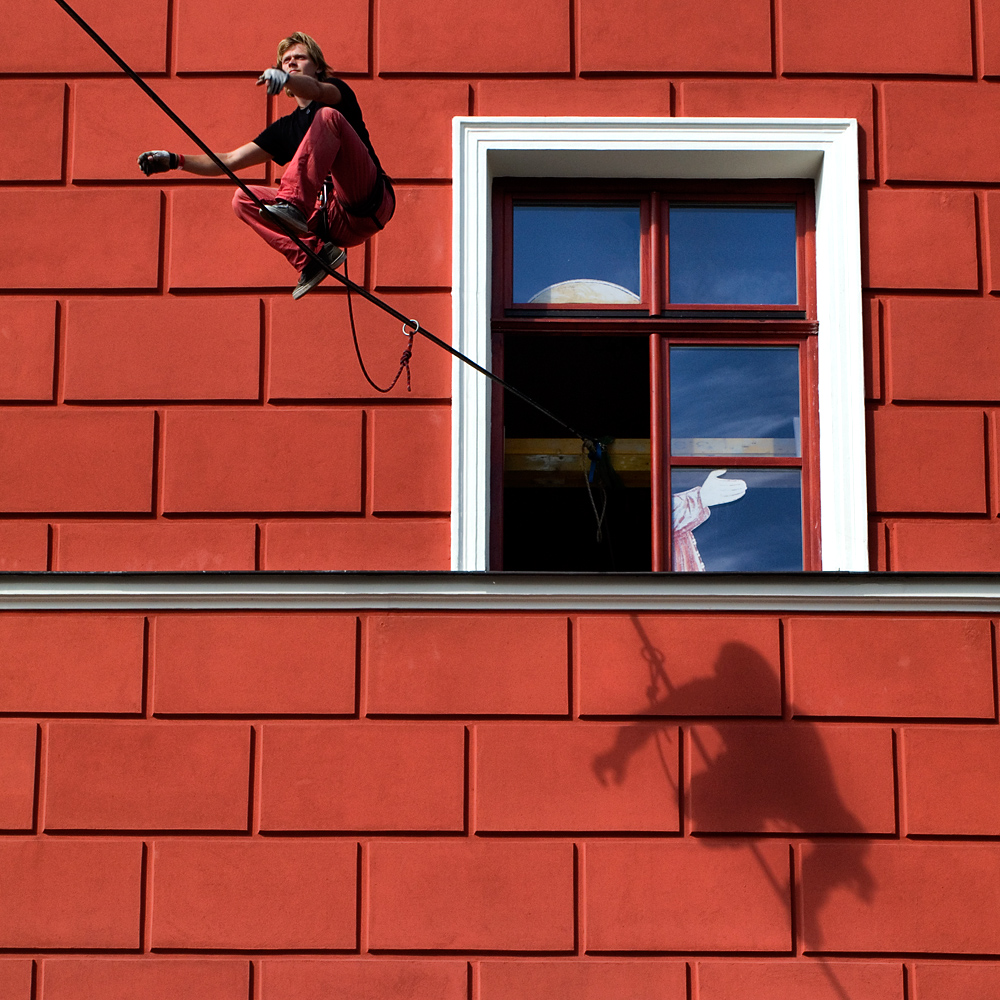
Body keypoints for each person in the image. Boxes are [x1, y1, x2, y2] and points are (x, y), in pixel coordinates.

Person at [137, 32, 394, 300]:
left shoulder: (336, 92)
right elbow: (229, 160)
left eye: (300, 57)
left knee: (327, 117)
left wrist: (289, 80)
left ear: (317, 66)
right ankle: (312, 257)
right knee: (242, 198)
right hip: (332, 222)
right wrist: (175, 160)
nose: (292, 62)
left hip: (369, 200)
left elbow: (317, 90)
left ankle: (293, 205)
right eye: (286, 61)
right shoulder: (285, 129)